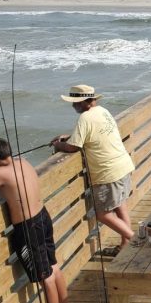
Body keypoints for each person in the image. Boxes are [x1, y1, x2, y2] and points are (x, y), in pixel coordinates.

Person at [0, 137, 72, 303]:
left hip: (28, 228)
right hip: (43, 218)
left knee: (45, 277)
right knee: (53, 265)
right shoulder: (23, 162)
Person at [51, 84, 135, 252]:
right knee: (119, 204)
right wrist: (69, 137)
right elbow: (92, 133)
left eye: (76, 102)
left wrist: (58, 144)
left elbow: (73, 147)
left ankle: (135, 241)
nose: (73, 105)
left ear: (84, 102)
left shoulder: (85, 118)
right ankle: (126, 244)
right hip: (123, 165)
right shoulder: (102, 111)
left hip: (107, 172)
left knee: (102, 214)